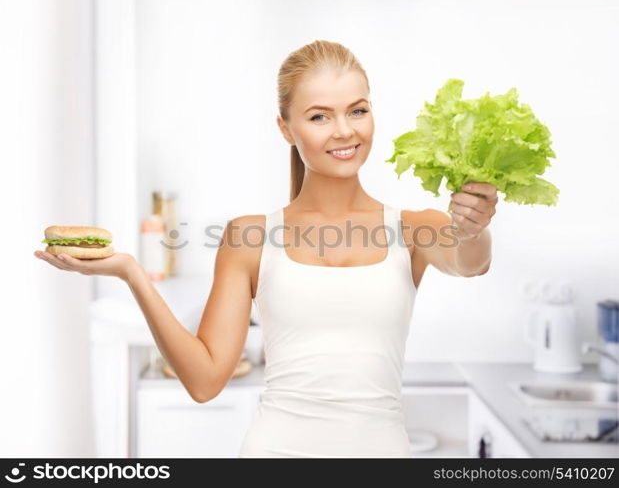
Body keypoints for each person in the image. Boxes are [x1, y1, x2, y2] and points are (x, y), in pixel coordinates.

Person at [34, 39, 498, 458]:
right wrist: (131, 272)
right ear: (285, 128)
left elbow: (469, 261)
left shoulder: (416, 229)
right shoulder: (249, 238)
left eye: (357, 110)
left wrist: (473, 226)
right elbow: (204, 379)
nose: (344, 131)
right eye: (319, 116)